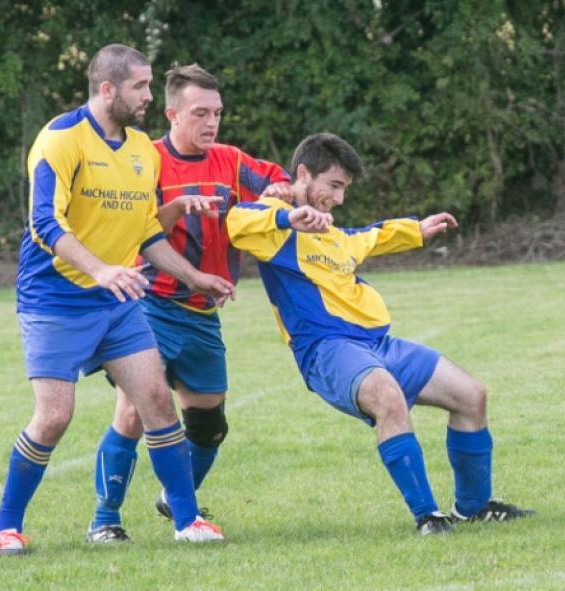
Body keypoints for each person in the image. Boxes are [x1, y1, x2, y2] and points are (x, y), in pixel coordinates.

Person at [0, 45, 233, 556]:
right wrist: (99, 269)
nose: (149, 96)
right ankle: (5, 527)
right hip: (55, 299)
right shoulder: (59, 140)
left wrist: (194, 276)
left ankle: (187, 521)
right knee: (54, 416)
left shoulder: (142, 149)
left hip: (118, 300)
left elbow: (146, 233)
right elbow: (44, 222)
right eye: (140, 87)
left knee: (158, 401)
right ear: (107, 89)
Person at [226, 133, 534, 535]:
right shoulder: (275, 225)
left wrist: (416, 230)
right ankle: (428, 516)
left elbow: (367, 236)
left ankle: (473, 507)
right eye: (333, 186)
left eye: (343, 189)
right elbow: (237, 221)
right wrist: (286, 216)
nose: (338, 199)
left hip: (377, 346)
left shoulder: (334, 235)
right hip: (327, 350)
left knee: (471, 396)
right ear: (303, 173)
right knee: (387, 397)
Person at [85, 63, 292, 543]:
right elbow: (135, 227)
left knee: (208, 425)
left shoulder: (230, 160)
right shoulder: (145, 160)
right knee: (136, 410)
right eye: (201, 113)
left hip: (201, 313)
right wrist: (176, 208)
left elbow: (278, 182)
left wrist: (283, 189)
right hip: (147, 305)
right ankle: (105, 519)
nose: (212, 122)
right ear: (172, 113)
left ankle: (174, 496)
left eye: (217, 113)